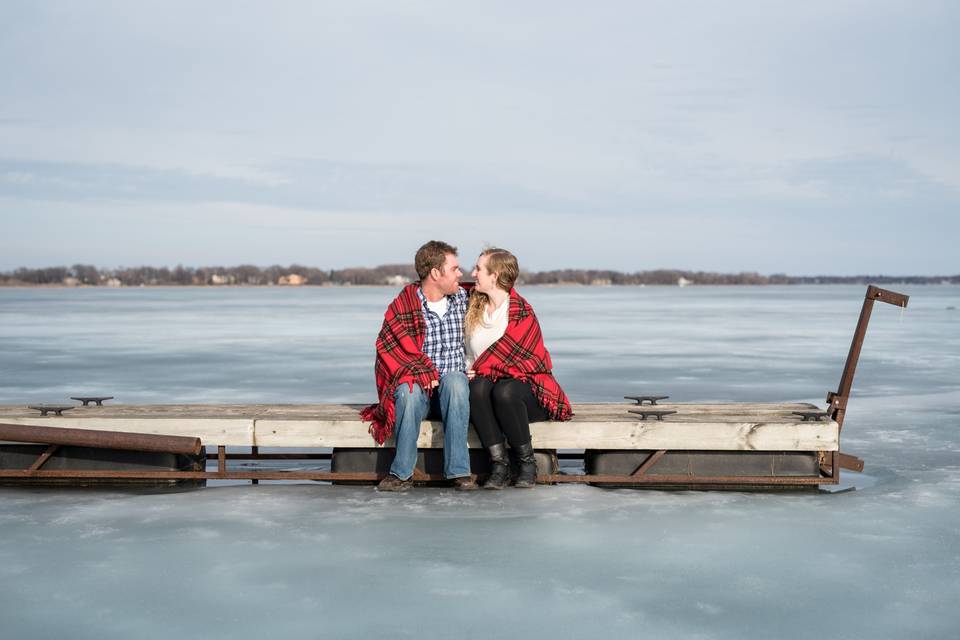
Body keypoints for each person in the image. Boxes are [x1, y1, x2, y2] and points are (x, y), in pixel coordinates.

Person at [360, 240, 477, 492]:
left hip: (452, 395)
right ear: (436, 273)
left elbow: (500, 302)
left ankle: (459, 471)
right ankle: (401, 472)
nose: (460, 273)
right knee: (408, 390)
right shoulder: (404, 306)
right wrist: (418, 372)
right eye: (454, 268)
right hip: (419, 396)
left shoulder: (464, 300)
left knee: (456, 381)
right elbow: (389, 350)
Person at [465, 248, 572, 489]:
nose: (473, 273)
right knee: (478, 388)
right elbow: (470, 356)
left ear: (494, 276)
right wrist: (470, 370)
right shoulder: (473, 307)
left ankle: (526, 463)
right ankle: (499, 464)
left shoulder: (521, 312)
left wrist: (491, 370)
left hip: (525, 393)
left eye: (479, 269)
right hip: (487, 387)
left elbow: (534, 362)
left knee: (505, 391)